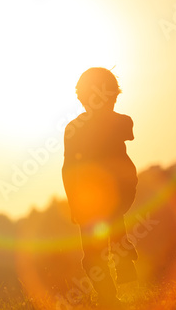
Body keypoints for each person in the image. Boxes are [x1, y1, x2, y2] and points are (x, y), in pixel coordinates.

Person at [62, 67, 138, 309]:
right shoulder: (114, 122)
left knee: (97, 250)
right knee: (96, 251)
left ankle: (119, 268)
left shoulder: (118, 122)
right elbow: (69, 167)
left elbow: (68, 167)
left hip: (113, 192)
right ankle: (110, 293)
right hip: (91, 198)